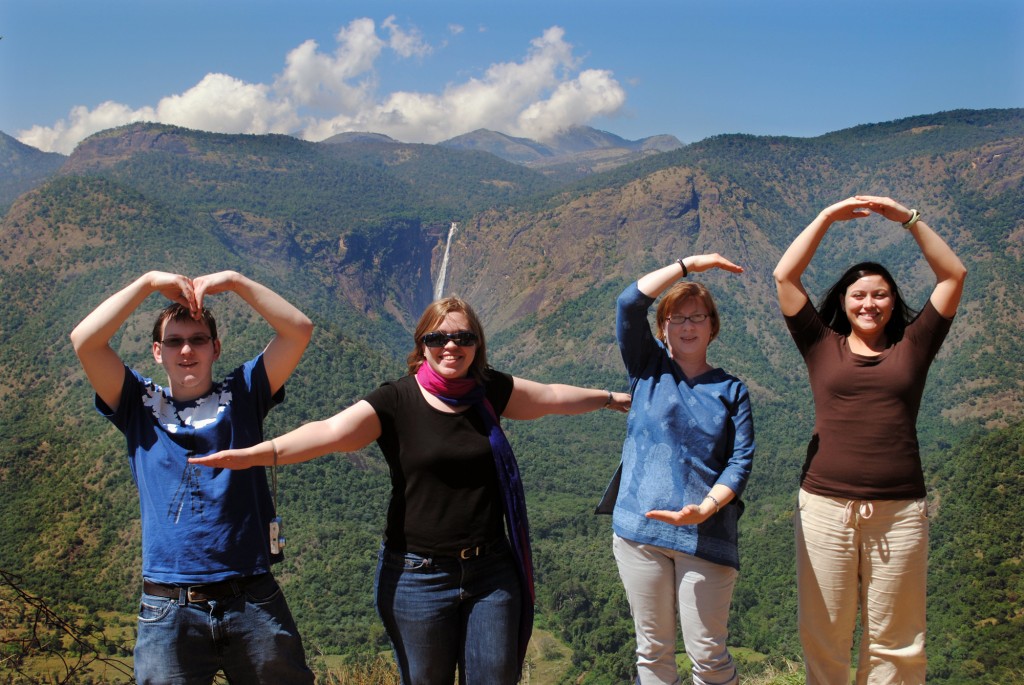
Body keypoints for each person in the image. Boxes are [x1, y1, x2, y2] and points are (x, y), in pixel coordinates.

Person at [189, 295, 631, 685]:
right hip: (418, 577)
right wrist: (253, 454)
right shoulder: (395, 400)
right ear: (422, 345)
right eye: (438, 338)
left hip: (492, 572)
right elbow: (329, 432)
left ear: (477, 346)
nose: (450, 346)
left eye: (463, 337)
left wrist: (611, 397)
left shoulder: (488, 390)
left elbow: (552, 396)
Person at [69, 270, 315, 684]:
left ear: (216, 348)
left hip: (251, 596)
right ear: (156, 352)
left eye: (198, 339)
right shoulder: (136, 403)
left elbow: (298, 331)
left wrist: (235, 281)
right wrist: (146, 283)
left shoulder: (245, 392)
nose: (186, 350)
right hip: (168, 605)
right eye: (174, 341)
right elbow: (85, 341)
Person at [772, 196, 967, 684]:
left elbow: (953, 276)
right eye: (859, 295)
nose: (869, 304)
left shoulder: (914, 346)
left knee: (898, 642)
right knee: (825, 634)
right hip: (824, 509)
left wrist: (908, 219)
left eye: (880, 295)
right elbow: (784, 277)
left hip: (899, 512)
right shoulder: (820, 344)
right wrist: (825, 219)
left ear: (893, 301)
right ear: (843, 301)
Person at [610, 253, 754, 685]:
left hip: (705, 536)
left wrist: (705, 508)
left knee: (708, 655)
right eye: (676, 318)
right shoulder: (647, 369)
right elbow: (627, 303)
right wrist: (690, 264)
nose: (687, 326)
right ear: (662, 328)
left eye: (697, 317)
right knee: (652, 653)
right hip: (640, 534)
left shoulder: (732, 390)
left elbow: (740, 460)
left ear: (713, 326)